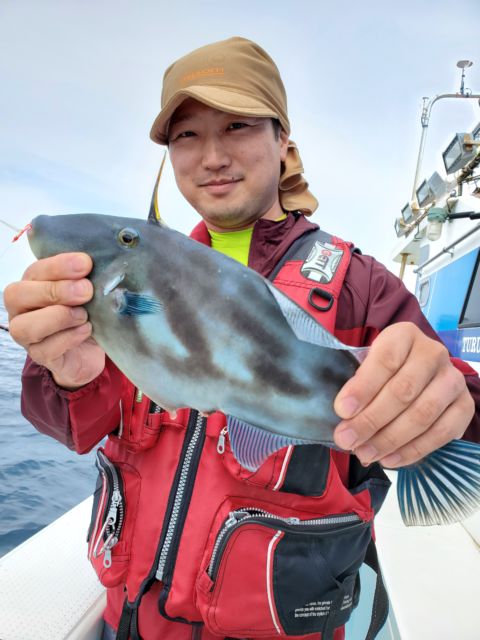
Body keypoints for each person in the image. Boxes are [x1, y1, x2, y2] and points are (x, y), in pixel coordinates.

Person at [5, 36, 480, 640]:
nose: (212, 156)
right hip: (134, 619)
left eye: (237, 125)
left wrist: (443, 400)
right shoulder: (121, 286)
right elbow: (73, 429)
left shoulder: (361, 285)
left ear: (283, 140)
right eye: (187, 135)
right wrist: (63, 372)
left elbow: (461, 403)